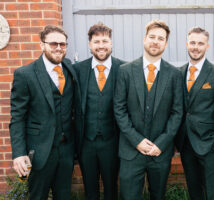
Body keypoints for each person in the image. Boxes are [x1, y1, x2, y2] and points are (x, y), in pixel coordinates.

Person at [114, 19, 183, 200]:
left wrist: (161, 143)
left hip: (160, 152)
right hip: (131, 150)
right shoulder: (125, 71)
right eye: (152, 37)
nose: (155, 41)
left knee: (158, 196)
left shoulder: (174, 74)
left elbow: (177, 113)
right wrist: (137, 140)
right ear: (145, 39)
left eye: (160, 38)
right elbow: (119, 109)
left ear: (166, 43)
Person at [9, 25, 81, 200]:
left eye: (62, 44)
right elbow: (18, 117)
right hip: (40, 150)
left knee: (64, 195)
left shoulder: (70, 69)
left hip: (66, 149)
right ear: (42, 45)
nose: (58, 48)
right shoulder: (25, 74)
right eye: (53, 43)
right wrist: (19, 153)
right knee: (38, 196)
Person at [175, 27, 214, 200]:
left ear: (207, 46)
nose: (196, 47)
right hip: (185, 143)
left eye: (200, 43)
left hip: (208, 144)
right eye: (192, 43)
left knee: (212, 192)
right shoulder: (179, 73)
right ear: (186, 44)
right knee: (194, 190)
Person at [73, 22, 125, 200]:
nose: (101, 45)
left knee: (112, 189)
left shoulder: (124, 69)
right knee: (90, 190)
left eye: (104, 41)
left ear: (111, 43)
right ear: (90, 44)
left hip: (112, 141)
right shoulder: (78, 70)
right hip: (86, 142)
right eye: (96, 41)